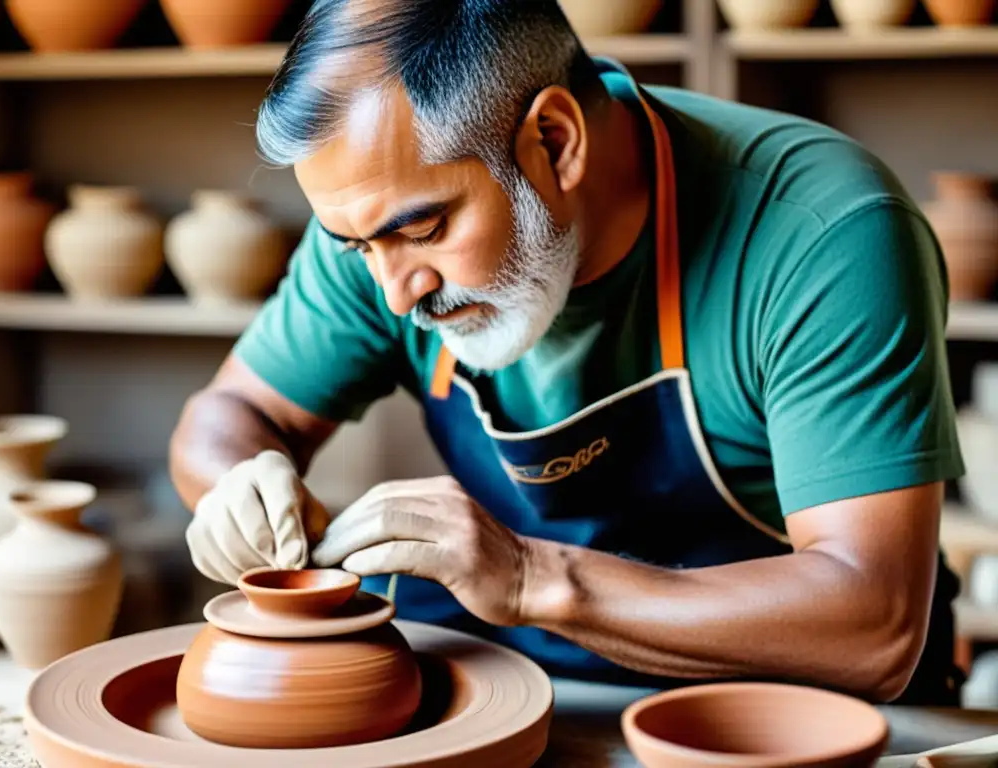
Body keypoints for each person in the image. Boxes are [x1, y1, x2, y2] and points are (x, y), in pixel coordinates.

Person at [169, 0, 966, 706]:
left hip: (778, 714)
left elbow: (873, 626)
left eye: (423, 232)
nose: (396, 295)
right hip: (516, 689)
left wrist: (527, 578)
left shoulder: (823, 232)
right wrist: (235, 484)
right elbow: (235, 412)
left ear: (555, 139)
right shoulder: (379, 214)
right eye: (355, 247)